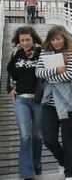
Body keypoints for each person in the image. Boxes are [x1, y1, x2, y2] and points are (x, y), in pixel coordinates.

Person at [35, 26, 72, 180]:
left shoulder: (70, 53)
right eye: (53, 39)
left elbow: (69, 75)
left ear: (64, 38)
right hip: (49, 102)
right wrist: (55, 71)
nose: (55, 42)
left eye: (58, 39)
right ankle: (63, 161)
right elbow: (38, 72)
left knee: (68, 138)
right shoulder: (44, 52)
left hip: (69, 103)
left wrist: (49, 76)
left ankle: (70, 173)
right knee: (49, 139)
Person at [7, 26, 43, 180]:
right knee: (25, 135)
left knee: (37, 135)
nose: (25, 43)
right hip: (21, 99)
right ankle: (27, 172)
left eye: (28, 40)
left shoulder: (42, 53)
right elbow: (10, 74)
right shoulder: (16, 54)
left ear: (33, 39)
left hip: (38, 99)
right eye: (22, 40)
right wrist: (9, 89)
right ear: (18, 41)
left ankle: (36, 163)